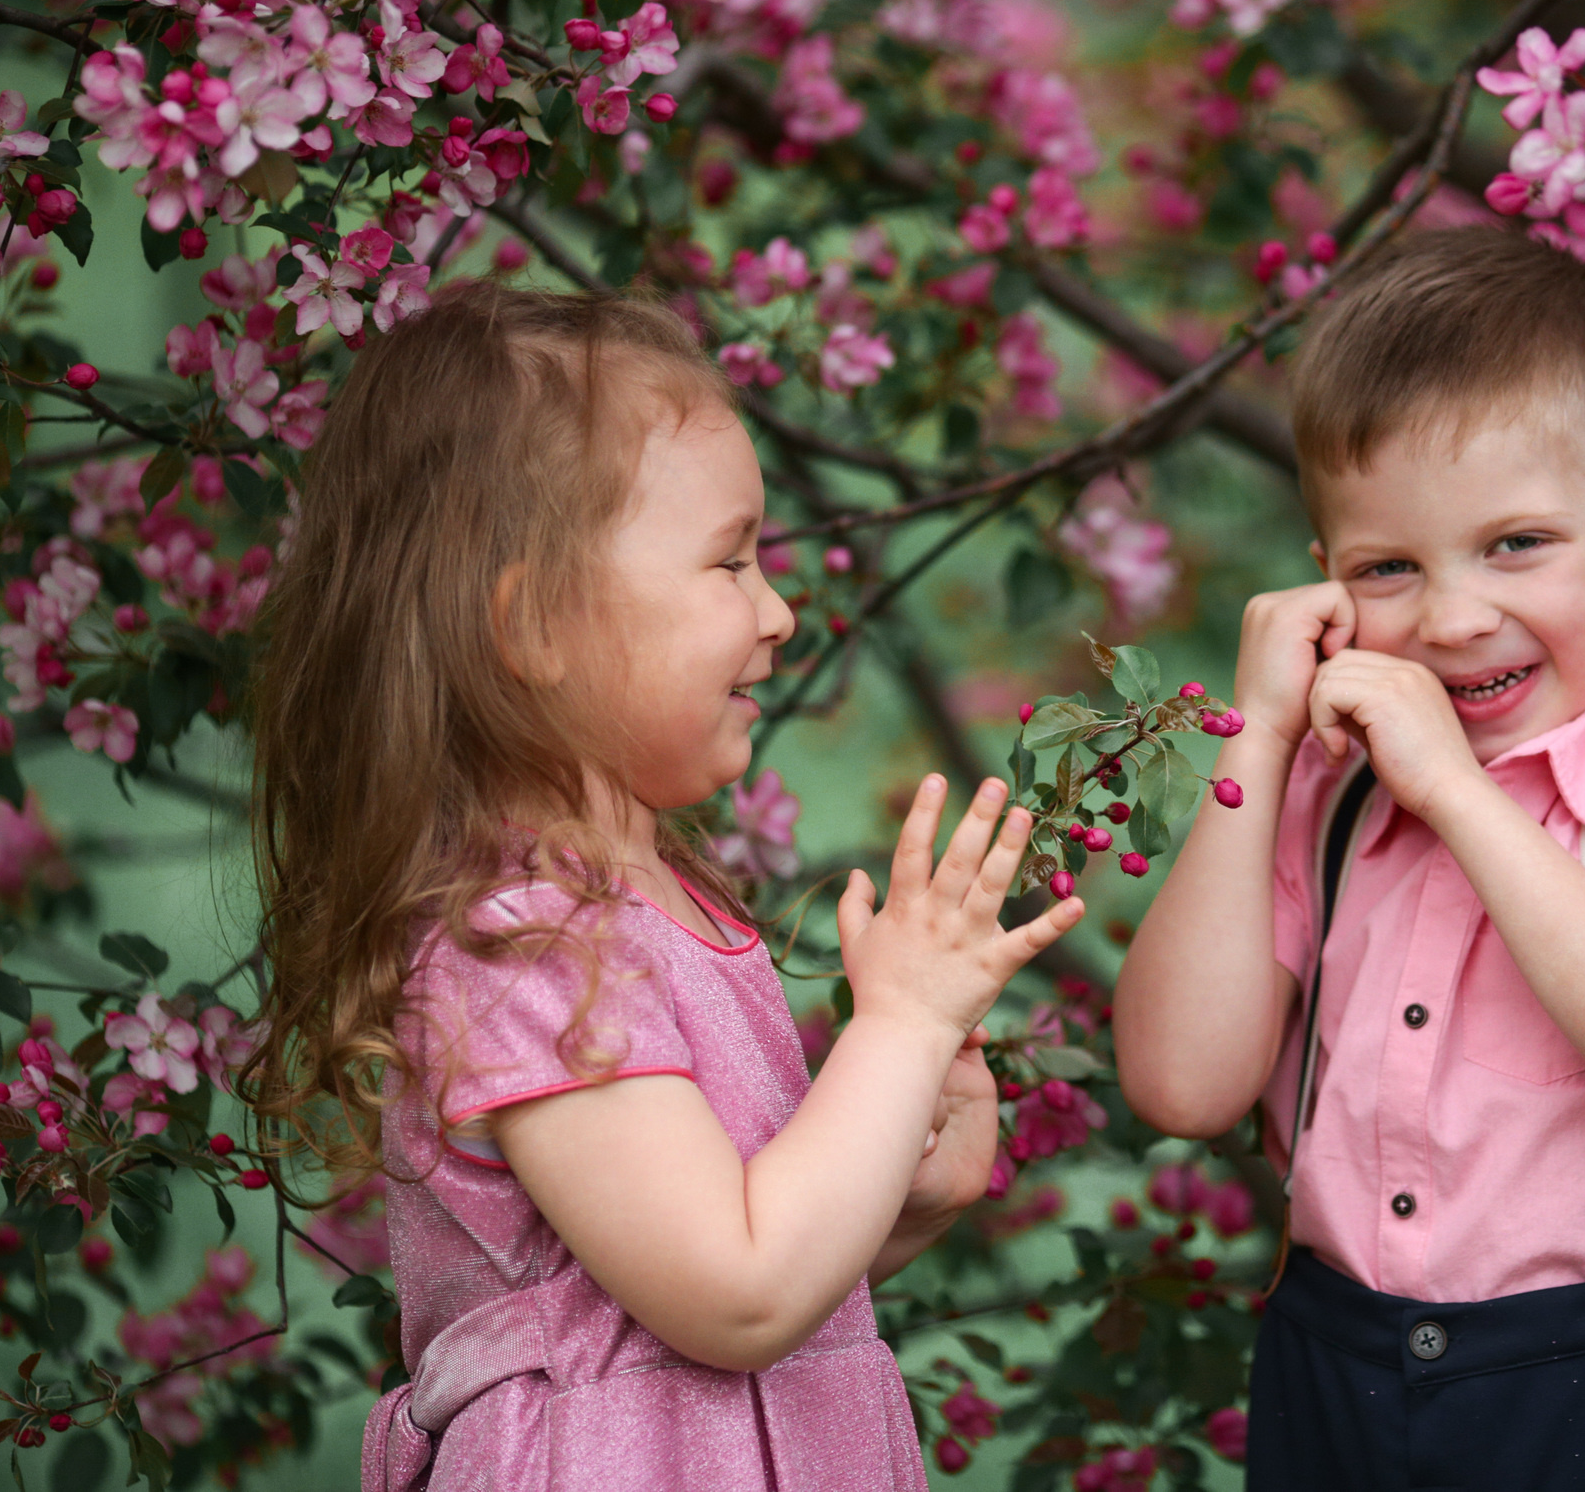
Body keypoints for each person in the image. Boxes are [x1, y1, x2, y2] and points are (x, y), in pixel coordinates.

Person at [241, 284, 1082, 1490]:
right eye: (729, 562)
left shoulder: (650, 906)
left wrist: (898, 1204)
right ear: (532, 626)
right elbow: (733, 1296)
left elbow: (684, 1292)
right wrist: (896, 1030)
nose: (780, 612)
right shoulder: (520, 940)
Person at [1114, 225, 1585, 1490]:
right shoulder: (1329, 792)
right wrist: (1264, 737)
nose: (1452, 618)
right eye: (1389, 567)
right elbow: (1181, 1083)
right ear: (1327, 586)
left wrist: (1451, 788)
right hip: (1336, 1372)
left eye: (1517, 544)